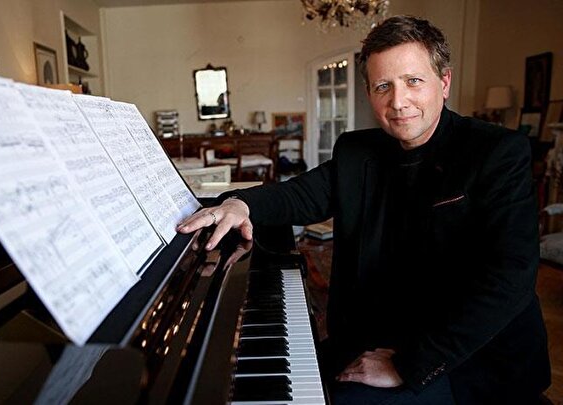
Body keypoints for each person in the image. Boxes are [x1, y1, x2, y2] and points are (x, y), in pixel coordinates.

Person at [177, 15, 551, 404]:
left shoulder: (496, 152)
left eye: (413, 81)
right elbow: (298, 195)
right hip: (379, 334)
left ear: (444, 82)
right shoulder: (357, 151)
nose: (398, 102)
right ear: (370, 92)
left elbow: (510, 279)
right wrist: (240, 203)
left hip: (465, 358)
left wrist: (407, 365)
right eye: (383, 86)